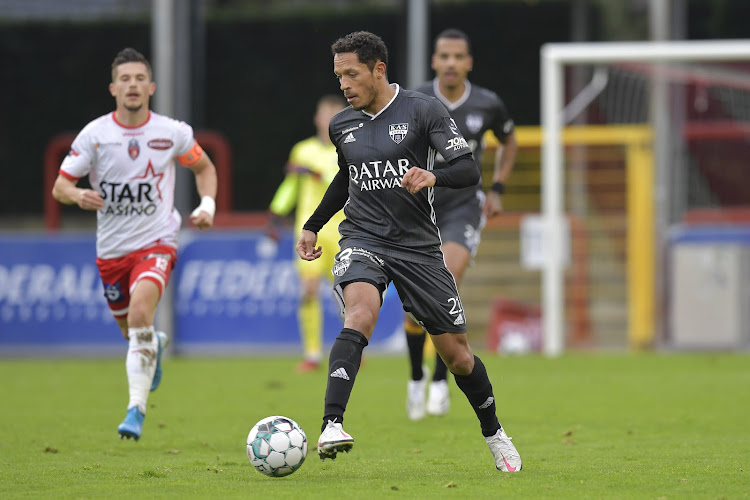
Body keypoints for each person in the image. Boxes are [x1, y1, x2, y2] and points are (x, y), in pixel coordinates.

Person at [296, 31, 522, 472]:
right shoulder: (342, 123)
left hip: (418, 247)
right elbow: (346, 178)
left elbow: (467, 168)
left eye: (352, 74)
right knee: (360, 313)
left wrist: (432, 176)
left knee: (457, 355)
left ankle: (495, 433)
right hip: (363, 237)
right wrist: (312, 225)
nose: (344, 84)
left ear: (378, 69)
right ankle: (331, 424)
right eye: (339, 75)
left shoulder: (422, 109)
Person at [52, 47, 218, 441]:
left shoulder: (171, 132)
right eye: (125, 79)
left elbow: (204, 167)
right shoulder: (95, 135)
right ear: (113, 88)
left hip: (157, 240)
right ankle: (153, 345)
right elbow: (61, 185)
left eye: (139, 79)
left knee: (143, 313)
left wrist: (207, 205)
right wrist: (78, 197)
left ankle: (135, 411)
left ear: (151, 87)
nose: (132, 85)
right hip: (111, 252)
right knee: (133, 333)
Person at [405, 28, 518, 421]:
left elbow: (509, 141)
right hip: (419, 207)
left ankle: (439, 380)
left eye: (458, 56)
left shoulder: (487, 104)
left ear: (468, 62)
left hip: (463, 207)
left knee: (446, 281)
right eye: (444, 56)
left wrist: (498, 188)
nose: (451, 63)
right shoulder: (415, 100)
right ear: (434, 61)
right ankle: (416, 376)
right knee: (412, 306)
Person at [267, 95, 347, 373]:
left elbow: (344, 184)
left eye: (336, 115)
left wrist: (316, 174)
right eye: (326, 115)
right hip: (309, 232)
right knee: (309, 291)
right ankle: (312, 354)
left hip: (343, 233)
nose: (329, 121)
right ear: (317, 118)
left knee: (347, 297)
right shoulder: (302, 150)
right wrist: (276, 213)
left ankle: (353, 348)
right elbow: (291, 185)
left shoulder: (349, 149)